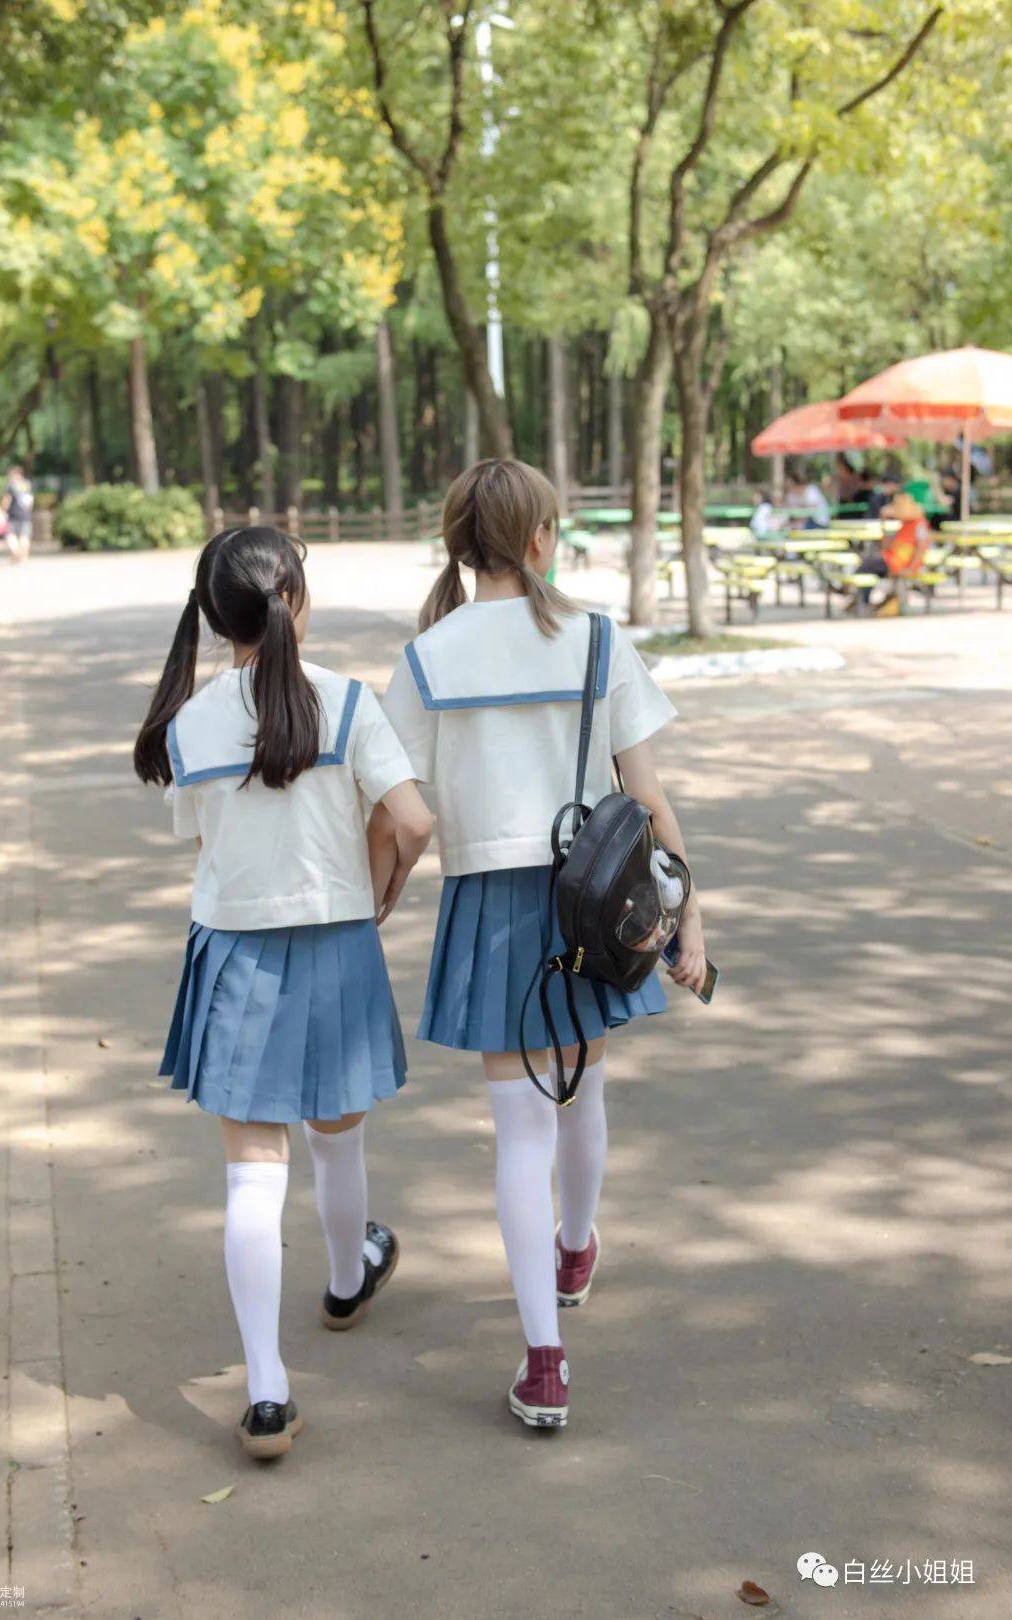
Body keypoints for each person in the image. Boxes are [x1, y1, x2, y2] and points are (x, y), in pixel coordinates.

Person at [378, 459, 706, 1430]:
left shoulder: (431, 657)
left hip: (491, 907)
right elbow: (646, 797)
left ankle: (546, 1365)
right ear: (537, 539)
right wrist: (694, 913)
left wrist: (376, 900)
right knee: (586, 1090)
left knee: (520, 1132)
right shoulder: (598, 639)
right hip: (592, 899)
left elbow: (400, 811)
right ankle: (575, 1249)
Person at [134, 526, 432, 1460]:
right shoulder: (346, 702)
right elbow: (413, 821)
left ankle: (267, 1394)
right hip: (337, 942)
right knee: (337, 1141)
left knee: (251, 1173)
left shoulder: (189, 724)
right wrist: (379, 881)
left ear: (218, 617)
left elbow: (207, 847)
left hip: (236, 953)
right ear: (294, 598)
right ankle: (347, 1282)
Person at [5, 466, 35, 561]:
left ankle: (16, 551)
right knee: (25, 536)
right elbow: (31, 501)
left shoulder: (11, 485)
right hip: (26, 515)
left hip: (13, 514)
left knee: (10, 535)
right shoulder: (27, 485)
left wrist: (4, 510)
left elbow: (7, 500)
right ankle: (24, 556)